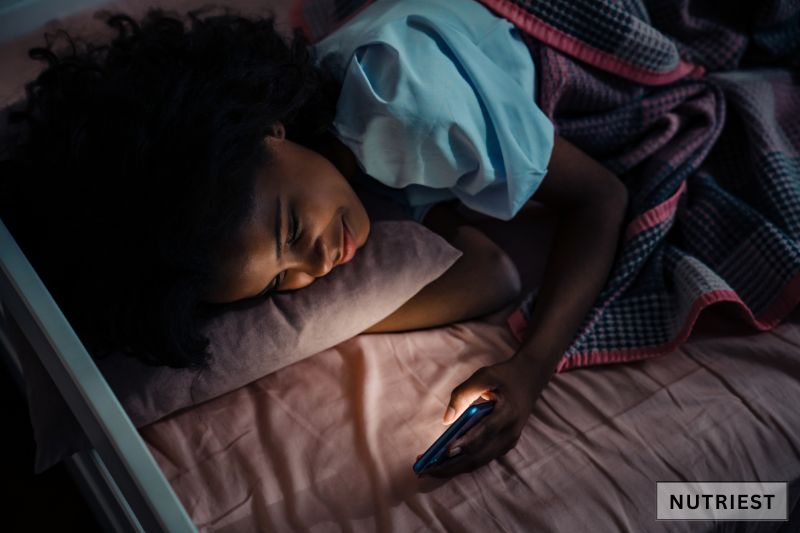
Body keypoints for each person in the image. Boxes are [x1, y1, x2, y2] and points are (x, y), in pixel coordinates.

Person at [0, 0, 627, 477]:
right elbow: (488, 272)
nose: (318, 266)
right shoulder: (330, 169)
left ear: (269, 129)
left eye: (292, 228)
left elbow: (603, 196)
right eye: (280, 283)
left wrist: (531, 368)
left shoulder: (408, 116)